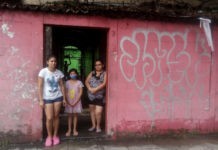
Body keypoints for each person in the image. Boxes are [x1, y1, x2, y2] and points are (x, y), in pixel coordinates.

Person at [38, 55, 66, 147]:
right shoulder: (43, 72)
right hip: (47, 98)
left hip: (58, 96)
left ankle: (55, 136)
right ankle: (49, 137)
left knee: (56, 116)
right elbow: (40, 86)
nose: (53, 63)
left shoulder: (59, 73)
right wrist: (41, 100)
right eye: (51, 61)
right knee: (49, 118)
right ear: (47, 62)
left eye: (55, 61)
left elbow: (62, 86)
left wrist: (64, 98)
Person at [85, 59, 107, 133]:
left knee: (98, 112)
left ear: (102, 65)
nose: (97, 66)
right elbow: (86, 81)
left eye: (99, 64)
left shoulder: (104, 73)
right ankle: (93, 125)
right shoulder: (92, 73)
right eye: (96, 65)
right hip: (91, 95)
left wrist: (95, 89)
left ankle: (98, 126)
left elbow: (104, 84)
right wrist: (90, 88)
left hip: (100, 96)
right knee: (92, 111)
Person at [65, 68, 84, 137]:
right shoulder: (67, 82)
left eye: (74, 73)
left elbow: (81, 92)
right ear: (69, 74)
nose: (73, 74)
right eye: (71, 73)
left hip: (77, 101)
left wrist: (76, 101)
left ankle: (74, 129)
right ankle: (69, 130)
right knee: (69, 116)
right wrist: (67, 101)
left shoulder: (79, 82)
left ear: (76, 74)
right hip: (69, 101)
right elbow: (65, 92)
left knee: (75, 116)